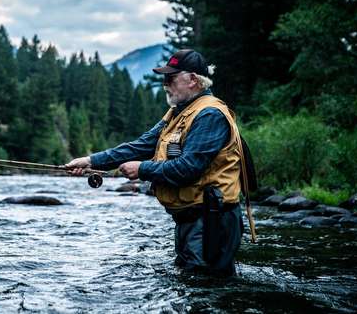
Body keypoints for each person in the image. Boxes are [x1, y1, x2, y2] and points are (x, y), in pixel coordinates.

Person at [65, 49, 244, 277]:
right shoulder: (177, 113)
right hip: (192, 220)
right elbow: (140, 146)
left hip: (212, 221)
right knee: (194, 286)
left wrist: (142, 169)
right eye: (164, 78)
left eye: (171, 78)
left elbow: (188, 168)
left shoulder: (210, 115)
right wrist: (91, 160)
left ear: (192, 80)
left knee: (205, 290)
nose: (165, 84)